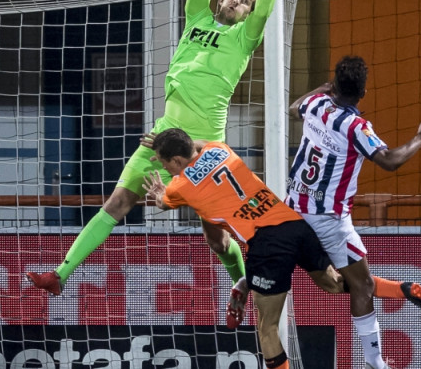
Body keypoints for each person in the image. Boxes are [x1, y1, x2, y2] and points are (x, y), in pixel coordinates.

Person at [26, 0, 284, 296]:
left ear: (248, 13)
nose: (236, 2)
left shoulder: (244, 38)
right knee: (117, 202)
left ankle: (240, 287)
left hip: (205, 148)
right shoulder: (198, 19)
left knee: (217, 239)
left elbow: (265, 10)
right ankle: (60, 274)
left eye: (245, 1)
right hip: (163, 136)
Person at [286, 55, 421, 369]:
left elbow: (294, 108)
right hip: (329, 220)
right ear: (363, 93)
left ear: (334, 85)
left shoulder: (316, 104)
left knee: (332, 283)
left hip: (293, 210)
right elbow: (389, 160)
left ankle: (400, 291)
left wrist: (323, 89)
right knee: (360, 286)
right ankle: (375, 362)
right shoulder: (356, 126)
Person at [142, 127, 344, 369]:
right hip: (293, 224)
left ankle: (245, 281)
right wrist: (175, 142)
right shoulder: (218, 148)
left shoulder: (179, 186)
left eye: (164, 162)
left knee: (267, 328)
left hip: (265, 242)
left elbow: (162, 202)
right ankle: (391, 288)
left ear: (176, 160)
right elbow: (197, 144)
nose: (165, 168)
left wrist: (159, 192)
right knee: (337, 284)